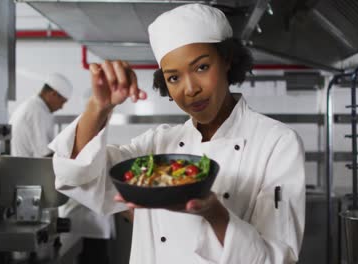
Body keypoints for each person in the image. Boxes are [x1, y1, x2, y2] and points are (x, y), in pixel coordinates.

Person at [49, 4, 305, 263]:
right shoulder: (157, 145)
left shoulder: (277, 143)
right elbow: (83, 178)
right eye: (174, 78)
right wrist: (99, 107)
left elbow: (278, 258)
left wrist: (214, 213)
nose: (190, 89)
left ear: (227, 60)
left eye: (202, 67)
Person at [9, 73, 72, 157]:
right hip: (26, 167)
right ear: (53, 94)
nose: (61, 107)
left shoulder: (37, 107)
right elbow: (44, 155)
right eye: (62, 102)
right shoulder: (36, 111)